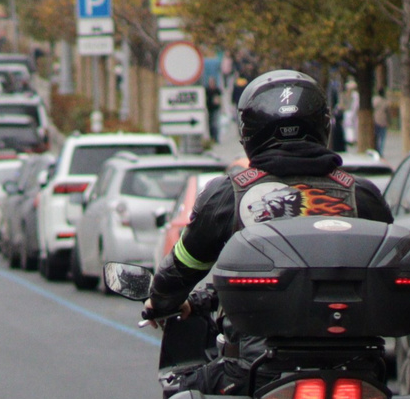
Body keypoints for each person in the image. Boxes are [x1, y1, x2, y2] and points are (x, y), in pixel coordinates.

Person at [141, 68, 393, 325]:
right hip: (352, 348)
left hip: (255, 353)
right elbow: (388, 268)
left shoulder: (229, 195)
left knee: (192, 366)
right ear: (324, 124)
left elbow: (184, 265)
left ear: (248, 132)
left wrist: (161, 301)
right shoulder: (360, 194)